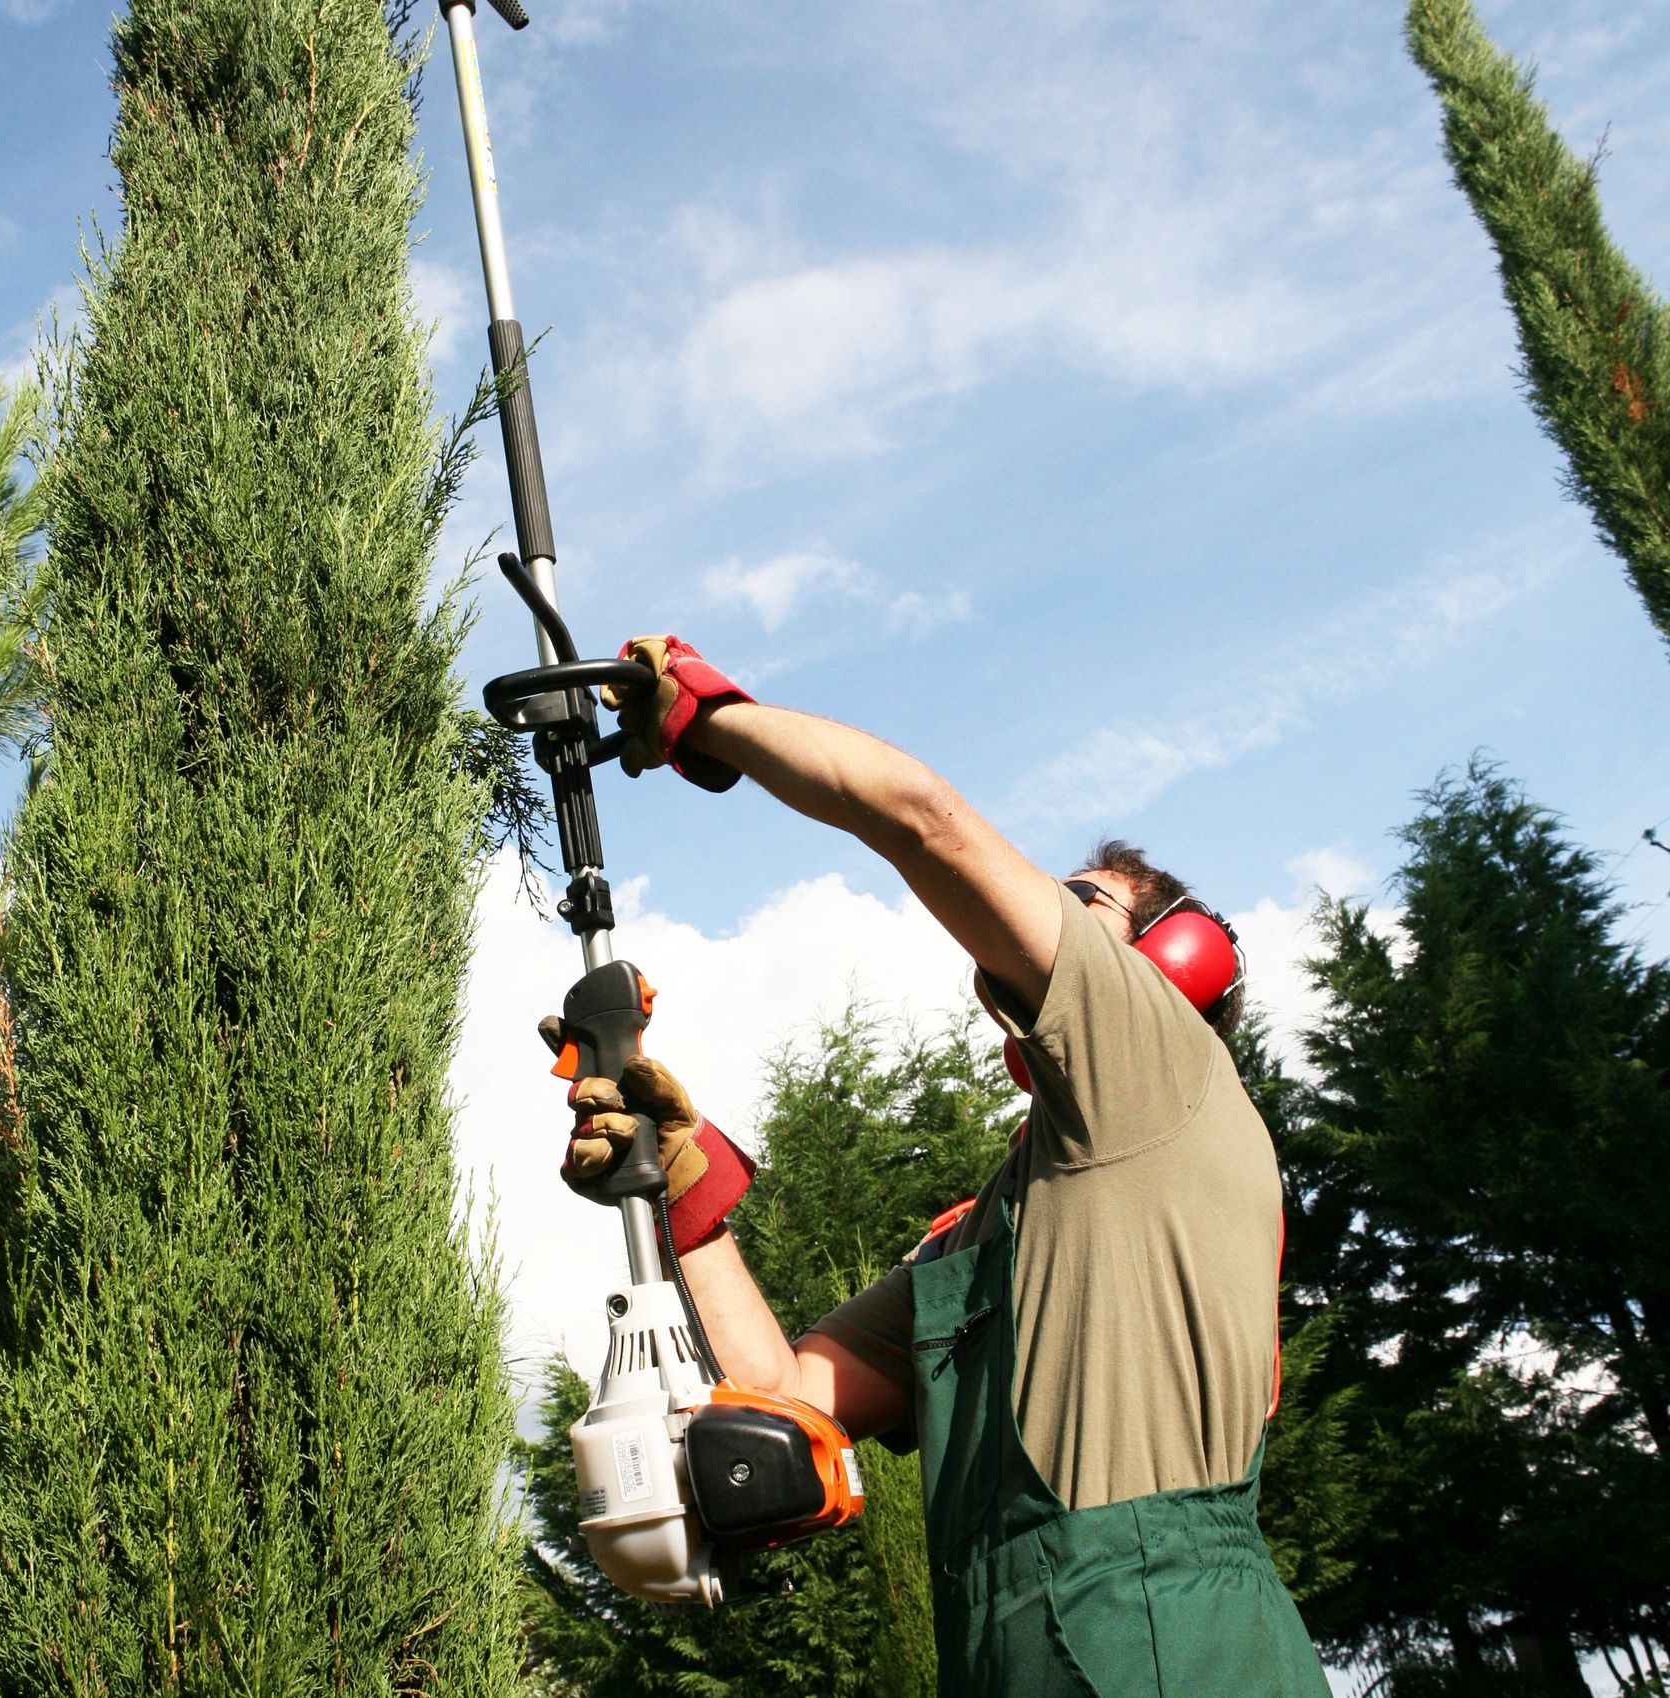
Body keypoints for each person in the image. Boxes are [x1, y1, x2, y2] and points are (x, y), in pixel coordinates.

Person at [552, 635, 1331, 1698]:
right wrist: (682, 1185)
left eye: (1086, 895)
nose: (1047, 896)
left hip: (1166, 1636)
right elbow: (782, 1394)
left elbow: (923, 818)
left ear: (1167, 959)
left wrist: (707, 717)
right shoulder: (992, 1236)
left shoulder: (1163, 1059)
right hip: (1008, 1652)